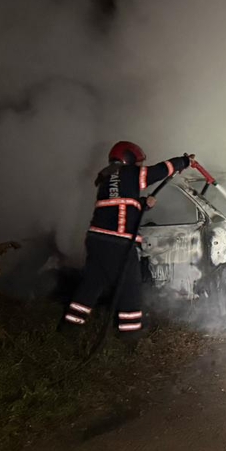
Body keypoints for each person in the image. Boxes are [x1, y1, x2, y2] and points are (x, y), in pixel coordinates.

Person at [60, 141, 193, 341]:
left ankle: (69, 327)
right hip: (118, 244)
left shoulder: (107, 178)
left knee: (92, 284)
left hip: (97, 240)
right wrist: (183, 161)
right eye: (138, 162)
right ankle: (130, 335)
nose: (140, 166)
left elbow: (118, 207)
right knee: (130, 286)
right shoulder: (130, 173)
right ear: (129, 159)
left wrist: (141, 205)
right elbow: (159, 171)